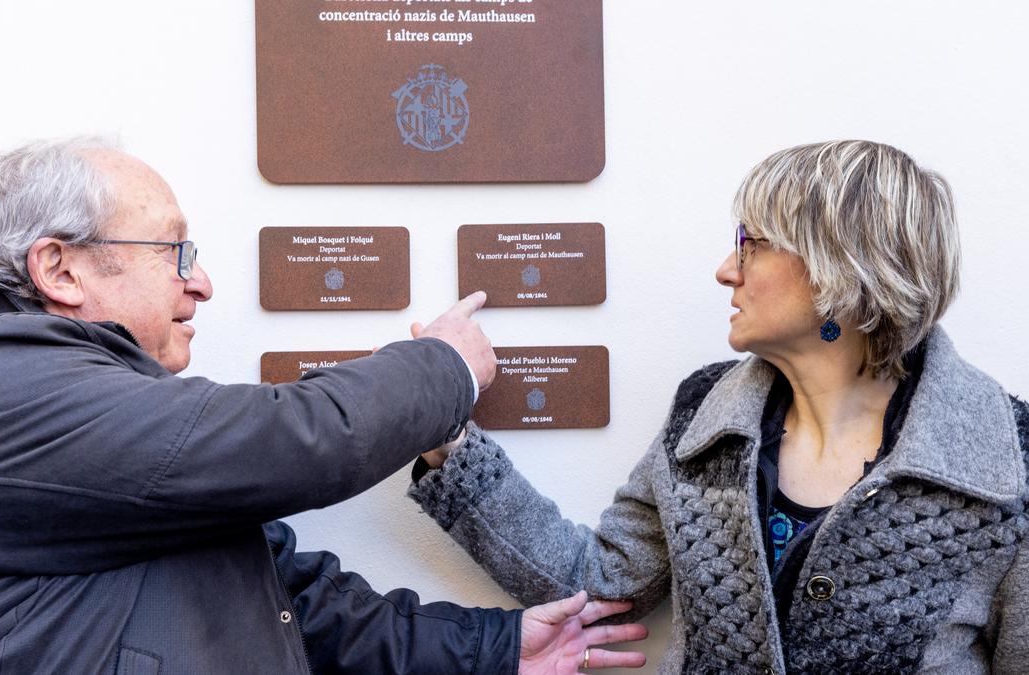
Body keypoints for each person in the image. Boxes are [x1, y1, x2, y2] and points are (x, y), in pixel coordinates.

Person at [0, 137, 647, 673]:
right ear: (61, 270)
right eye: (174, 249)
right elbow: (288, 438)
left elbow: (289, 598)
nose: (202, 281)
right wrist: (443, 368)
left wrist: (498, 648)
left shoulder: (105, 438)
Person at [409, 140, 1029, 674]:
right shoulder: (706, 415)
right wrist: (446, 432)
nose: (725, 271)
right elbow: (599, 586)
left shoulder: (1009, 470)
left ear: (842, 268)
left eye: (750, 244)